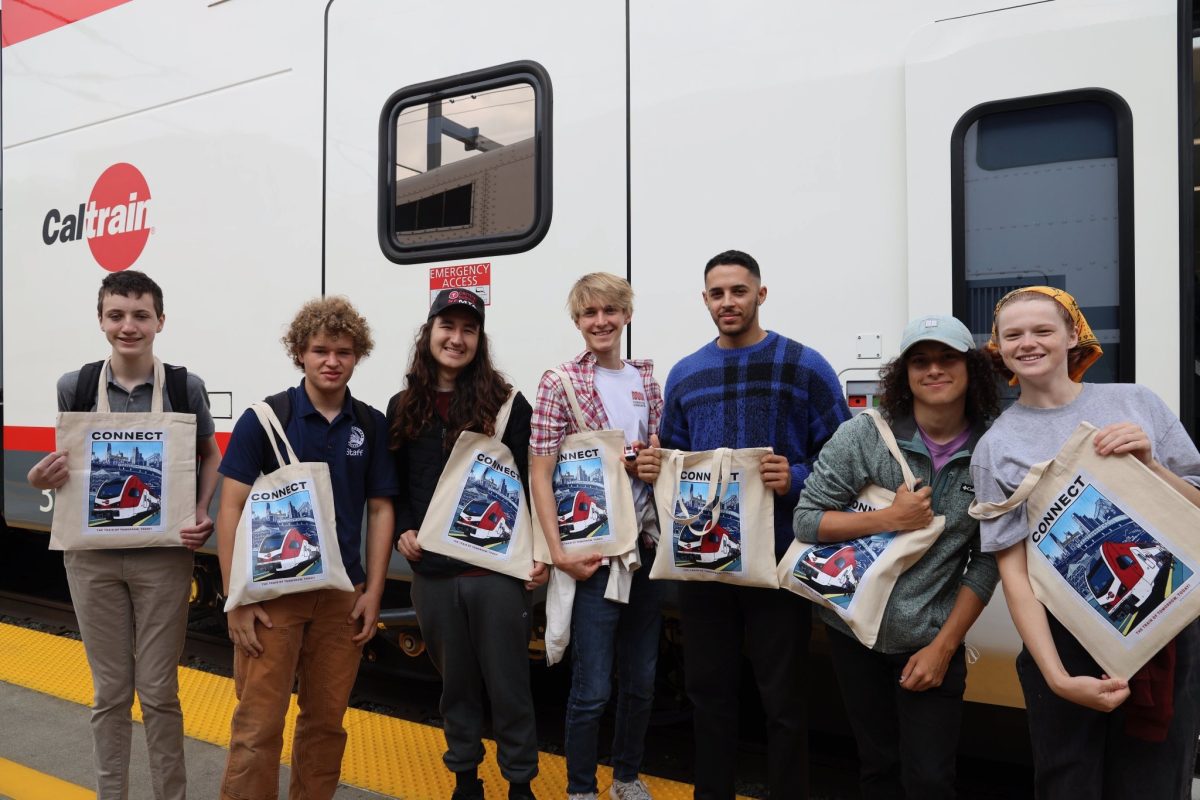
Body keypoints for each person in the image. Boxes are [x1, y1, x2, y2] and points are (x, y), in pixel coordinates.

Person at [970, 286, 1200, 798]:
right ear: (999, 348)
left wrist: (1151, 465)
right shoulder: (996, 447)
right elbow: (1015, 571)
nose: (1028, 343)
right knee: (1067, 784)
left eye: (1043, 330)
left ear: (1073, 335)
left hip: (1164, 624)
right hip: (1065, 641)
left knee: (1157, 783)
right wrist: (1055, 677)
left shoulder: (1136, 403)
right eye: (1013, 335)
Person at [636, 250, 849, 799]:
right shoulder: (685, 374)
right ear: (704, 300)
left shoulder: (805, 366)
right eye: (717, 293)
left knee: (784, 699)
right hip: (704, 563)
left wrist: (797, 474)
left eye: (738, 290)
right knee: (709, 696)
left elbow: (846, 458)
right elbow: (677, 459)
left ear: (761, 293)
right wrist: (657, 466)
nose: (728, 302)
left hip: (778, 561)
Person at [26, 270, 220, 800]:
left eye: (140, 315)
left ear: (160, 321)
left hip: (163, 559)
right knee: (110, 693)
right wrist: (38, 477)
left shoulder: (184, 387)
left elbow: (210, 454)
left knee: (159, 691)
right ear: (101, 320)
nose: (128, 326)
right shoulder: (77, 385)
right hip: (91, 561)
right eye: (116, 315)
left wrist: (201, 510)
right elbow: (67, 465)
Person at [792, 314, 1000, 799]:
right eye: (920, 361)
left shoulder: (993, 450)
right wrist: (889, 518)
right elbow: (806, 520)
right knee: (877, 767)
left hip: (929, 637)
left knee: (929, 779)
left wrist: (944, 648)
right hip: (853, 632)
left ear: (971, 368)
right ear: (904, 375)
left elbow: (988, 559)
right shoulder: (863, 436)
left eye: (948, 358)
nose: (934, 370)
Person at [215, 296, 398, 800]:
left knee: (326, 725)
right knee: (258, 727)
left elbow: (381, 508)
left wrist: (373, 592)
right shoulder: (265, 418)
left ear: (357, 354)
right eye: (320, 350)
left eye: (343, 351)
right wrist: (237, 598)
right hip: (272, 598)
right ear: (299, 353)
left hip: (343, 596)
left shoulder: (370, 423)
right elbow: (229, 507)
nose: (331, 361)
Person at [389, 288, 543, 800]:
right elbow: (397, 483)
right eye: (447, 327)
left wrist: (539, 553)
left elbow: (530, 480)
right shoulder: (403, 404)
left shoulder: (505, 405)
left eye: (468, 329)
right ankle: (465, 780)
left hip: (495, 574)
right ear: (428, 333)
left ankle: (520, 783)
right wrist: (403, 529)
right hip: (432, 574)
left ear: (479, 339)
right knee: (455, 686)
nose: (456, 339)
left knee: (509, 686)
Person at [529, 273, 665, 800]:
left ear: (626, 314)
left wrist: (653, 465)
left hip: (646, 550)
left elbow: (656, 459)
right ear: (577, 322)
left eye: (611, 310)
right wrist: (558, 552)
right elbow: (540, 471)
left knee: (642, 681)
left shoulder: (646, 382)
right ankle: (581, 789)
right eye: (590, 313)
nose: (601, 321)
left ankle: (626, 778)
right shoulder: (560, 381)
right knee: (591, 688)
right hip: (593, 555)